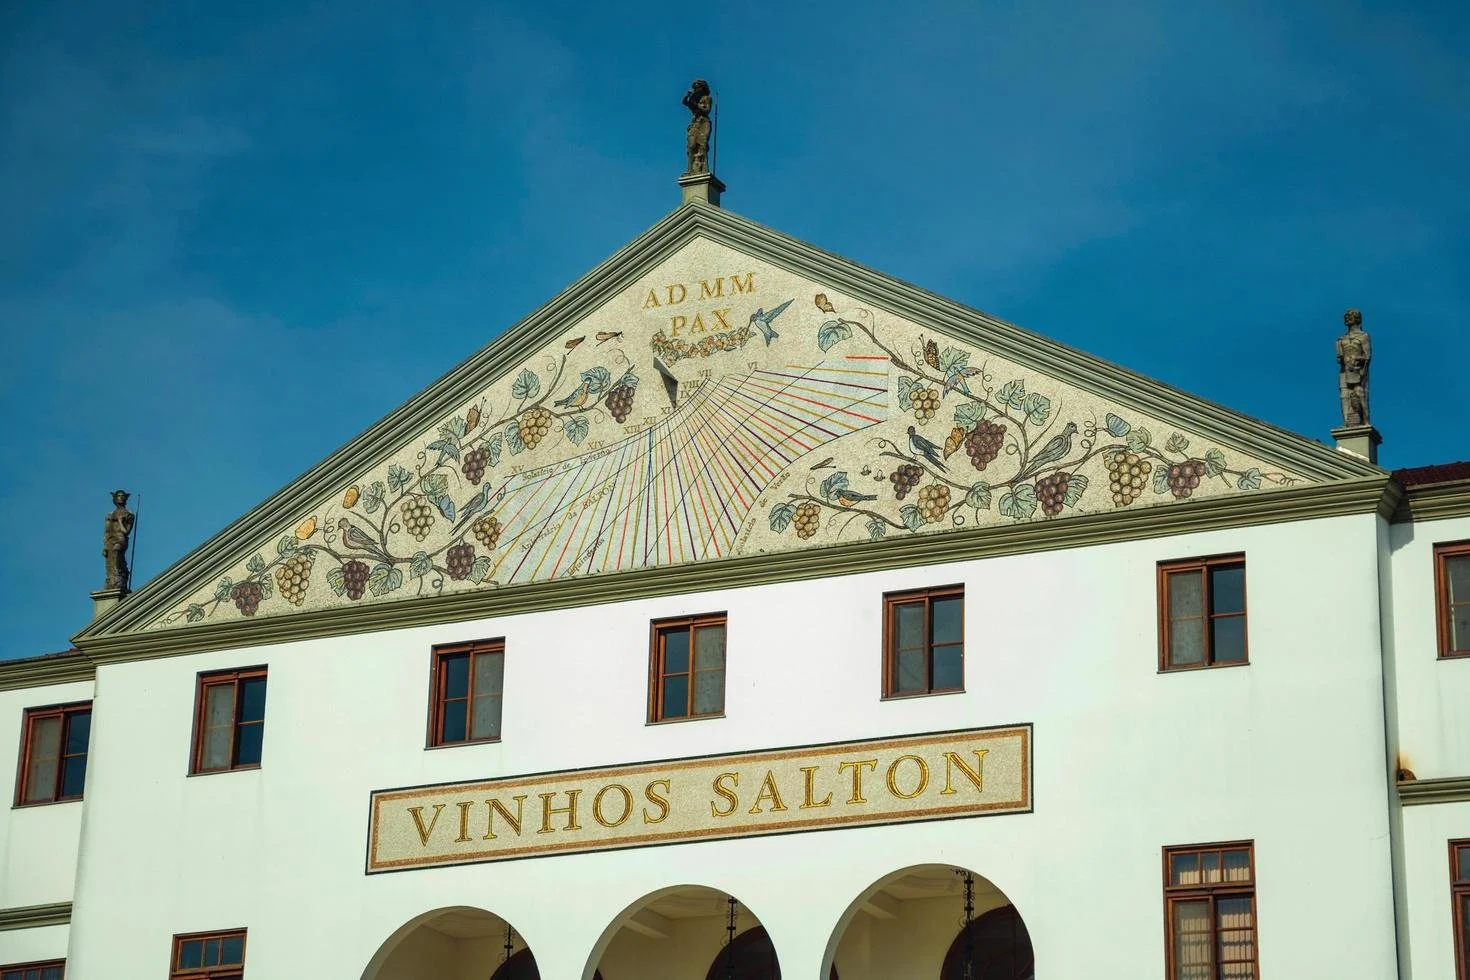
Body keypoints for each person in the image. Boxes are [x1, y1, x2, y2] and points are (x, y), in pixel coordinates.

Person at [1335, 309, 1372, 426]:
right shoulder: (1341, 339)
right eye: (1346, 316)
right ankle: (1347, 422)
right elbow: (1338, 357)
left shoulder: (1363, 336)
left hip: (1358, 370)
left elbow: (1367, 356)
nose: (1347, 318)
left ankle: (1365, 420)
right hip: (1344, 370)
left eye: (1350, 316)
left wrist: (1356, 359)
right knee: (1344, 395)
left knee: (1360, 394)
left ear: (1357, 318)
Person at [103, 489, 135, 592]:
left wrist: (120, 521)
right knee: (110, 561)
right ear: (115, 498)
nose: (120, 498)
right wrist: (105, 546)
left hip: (121, 539)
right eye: (118, 496)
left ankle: (119, 576)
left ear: (125, 498)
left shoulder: (129, 514)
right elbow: (107, 531)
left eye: (122, 496)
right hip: (110, 540)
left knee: (117, 554)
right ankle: (113, 580)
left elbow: (126, 532)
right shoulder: (110, 515)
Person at [682, 79, 713, 175]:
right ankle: (690, 170)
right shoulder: (694, 98)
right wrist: (687, 96)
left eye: (698, 86)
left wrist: (697, 105)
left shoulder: (706, 98)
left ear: (703, 87)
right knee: (691, 146)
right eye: (695, 87)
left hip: (704, 123)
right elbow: (685, 102)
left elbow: (707, 110)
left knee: (702, 145)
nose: (696, 88)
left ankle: (704, 168)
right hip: (694, 123)